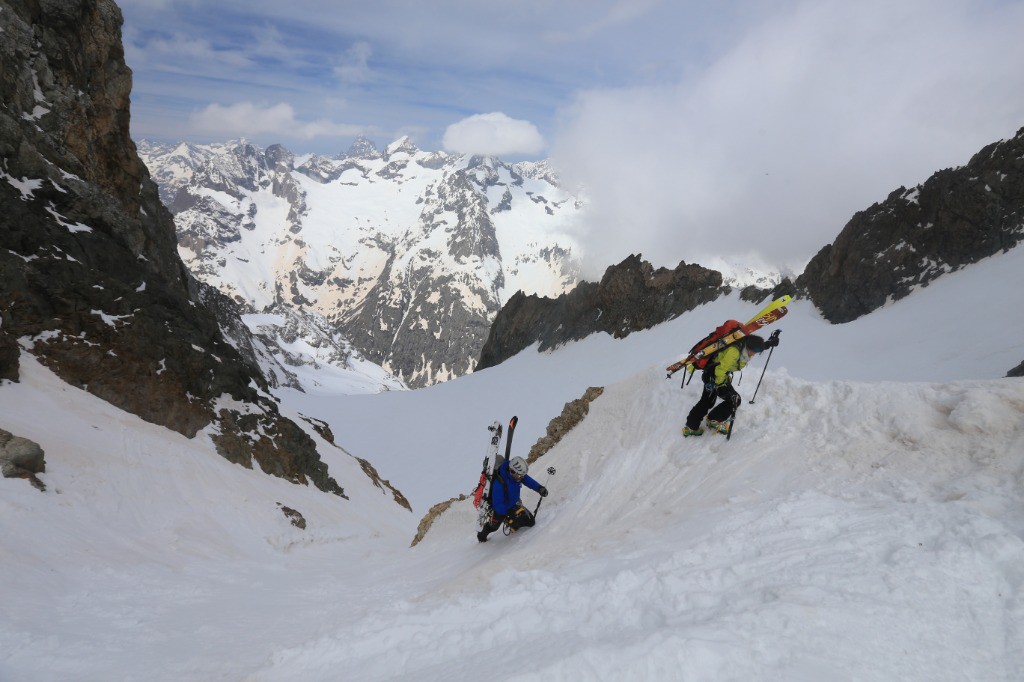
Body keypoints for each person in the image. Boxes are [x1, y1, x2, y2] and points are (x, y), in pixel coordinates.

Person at [683, 333, 777, 437]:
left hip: (717, 375)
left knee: (710, 401)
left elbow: (756, 345)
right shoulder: (734, 352)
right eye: (755, 351)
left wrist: (769, 343)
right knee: (729, 400)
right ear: (748, 347)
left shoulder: (744, 346)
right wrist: (721, 386)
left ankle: (701, 423)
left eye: (758, 351)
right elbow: (720, 370)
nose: (755, 354)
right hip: (714, 377)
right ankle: (700, 424)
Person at [477, 456, 548, 542]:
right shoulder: (499, 484)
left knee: (530, 522)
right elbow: (498, 505)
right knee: (494, 527)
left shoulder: (516, 475)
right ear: (512, 471)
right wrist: (510, 514)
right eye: (520, 476)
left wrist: (539, 488)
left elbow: (527, 479)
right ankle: (481, 535)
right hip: (500, 510)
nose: (521, 478)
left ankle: (513, 524)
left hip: (513, 504)